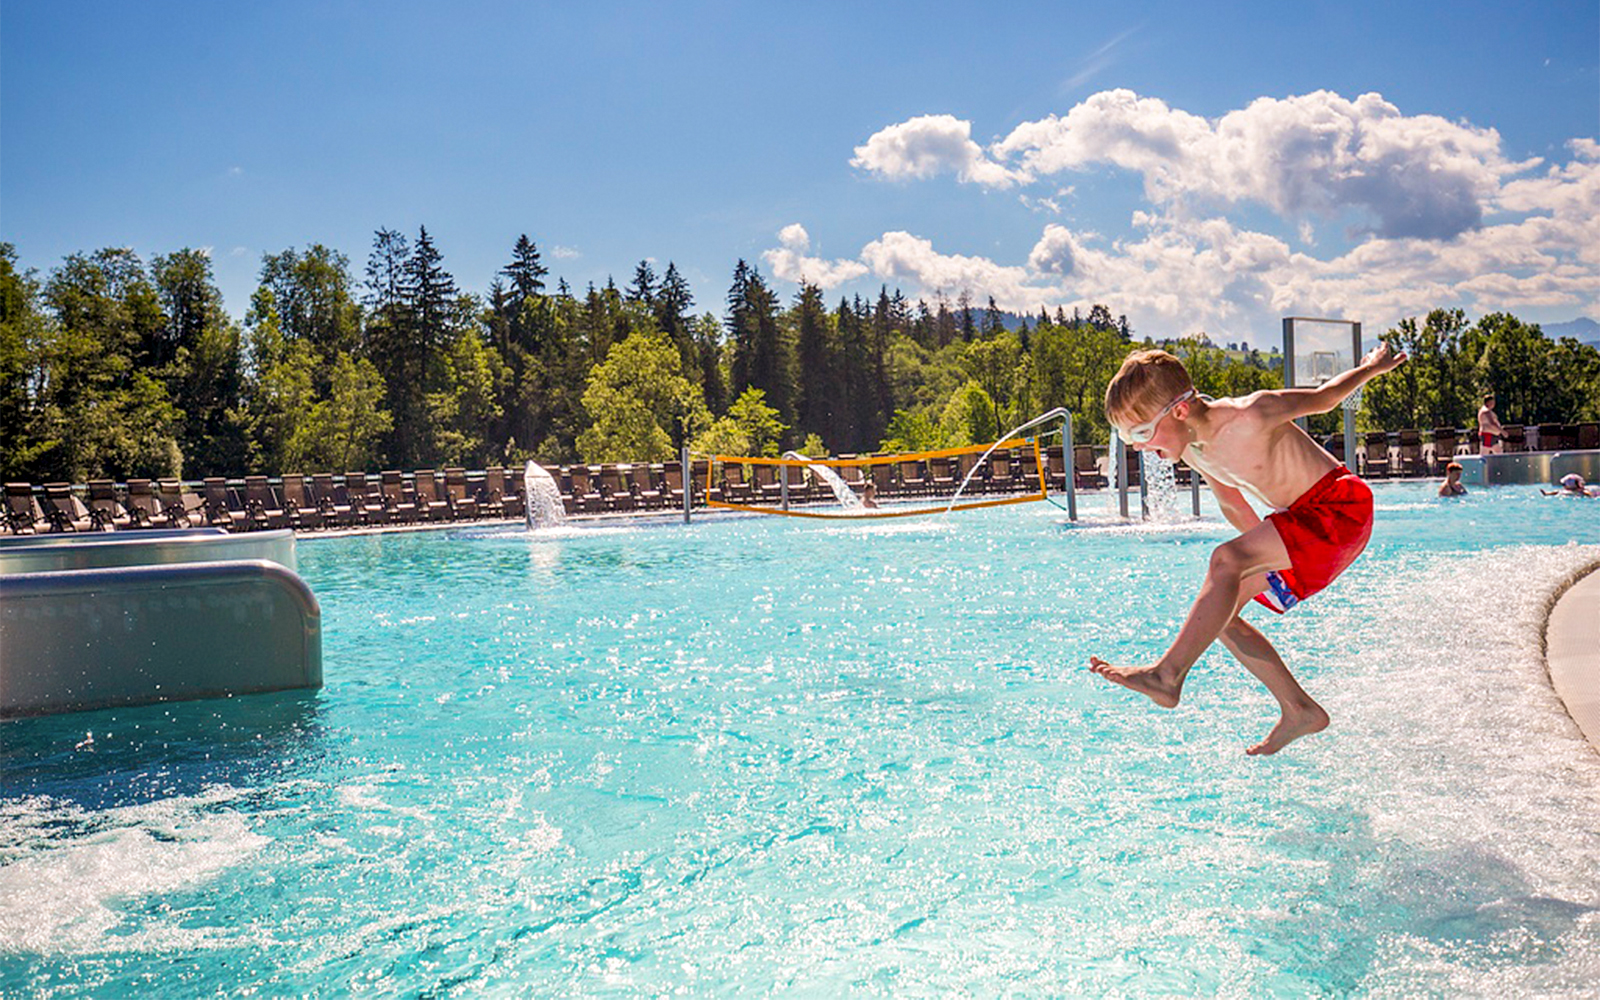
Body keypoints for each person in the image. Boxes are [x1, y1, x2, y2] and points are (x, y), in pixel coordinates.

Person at [1089, 342, 1407, 755]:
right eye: (1126, 436)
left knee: (1225, 560)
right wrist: (1263, 562)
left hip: (1340, 507)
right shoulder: (1195, 451)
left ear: (1180, 411)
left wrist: (1371, 368)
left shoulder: (1250, 414)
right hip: (1303, 526)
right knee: (1216, 614)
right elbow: (1233, 504)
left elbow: (1325, 399)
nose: (1136, 446)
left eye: (1141, 433)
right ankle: (1299, 710)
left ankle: (1167, 677)